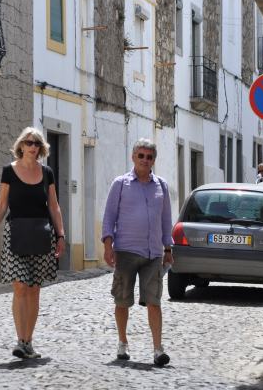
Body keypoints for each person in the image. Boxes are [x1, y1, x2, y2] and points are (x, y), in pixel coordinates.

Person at [0, 127, 65, 359]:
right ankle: (20, 340)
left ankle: (28, 341)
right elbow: (1, 205)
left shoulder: (47, 173)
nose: (33, 147)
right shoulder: (8, 172)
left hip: (41, 234)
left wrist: (60, 234)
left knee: (34, 289)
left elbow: (54, 205)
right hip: (15, 233)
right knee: (20, 285)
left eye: (37, 144)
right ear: (20, 145)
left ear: (41, 149)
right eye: (29, 143)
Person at [102, 138, 173, 366]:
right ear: (133, 157)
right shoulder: (120, 184)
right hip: (125, 251)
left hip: (153, 254)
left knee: (154, 301)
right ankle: (122, 343)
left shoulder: (161, 186)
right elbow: (109, 217)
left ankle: (157, 349)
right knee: (122, 300)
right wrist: (107, 246)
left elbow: (166, 219)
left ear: (154, 160)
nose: (145, 160)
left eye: (149, 156)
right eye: (141, 155)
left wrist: (168, 248)